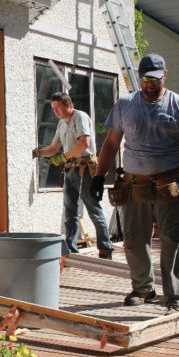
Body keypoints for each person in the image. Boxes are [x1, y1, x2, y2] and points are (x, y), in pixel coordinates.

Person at [90, 53, 179, 315]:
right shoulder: (125, 105)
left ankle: (177, 297)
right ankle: (143, 288)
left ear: (165, 75)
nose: (150, 83)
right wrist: (99, 176)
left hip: (171, 183)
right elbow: (111, 143)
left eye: (155, 77)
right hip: (134, 183)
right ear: (139, 78)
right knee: (134, 238)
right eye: (145, 78)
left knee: (174, 239)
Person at [33, 92, 113, 259]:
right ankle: (70, 249)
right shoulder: (62, 123)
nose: (55, 113)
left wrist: (63, 157)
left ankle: (105, 248)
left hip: (85, 169)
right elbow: (55, 147)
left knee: (93, 209)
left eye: (57, 108)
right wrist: (39, 152)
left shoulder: (80, 117)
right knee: (70, 212)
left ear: (67, 104)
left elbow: (84, 144)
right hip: (71, 170)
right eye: (53, 109)